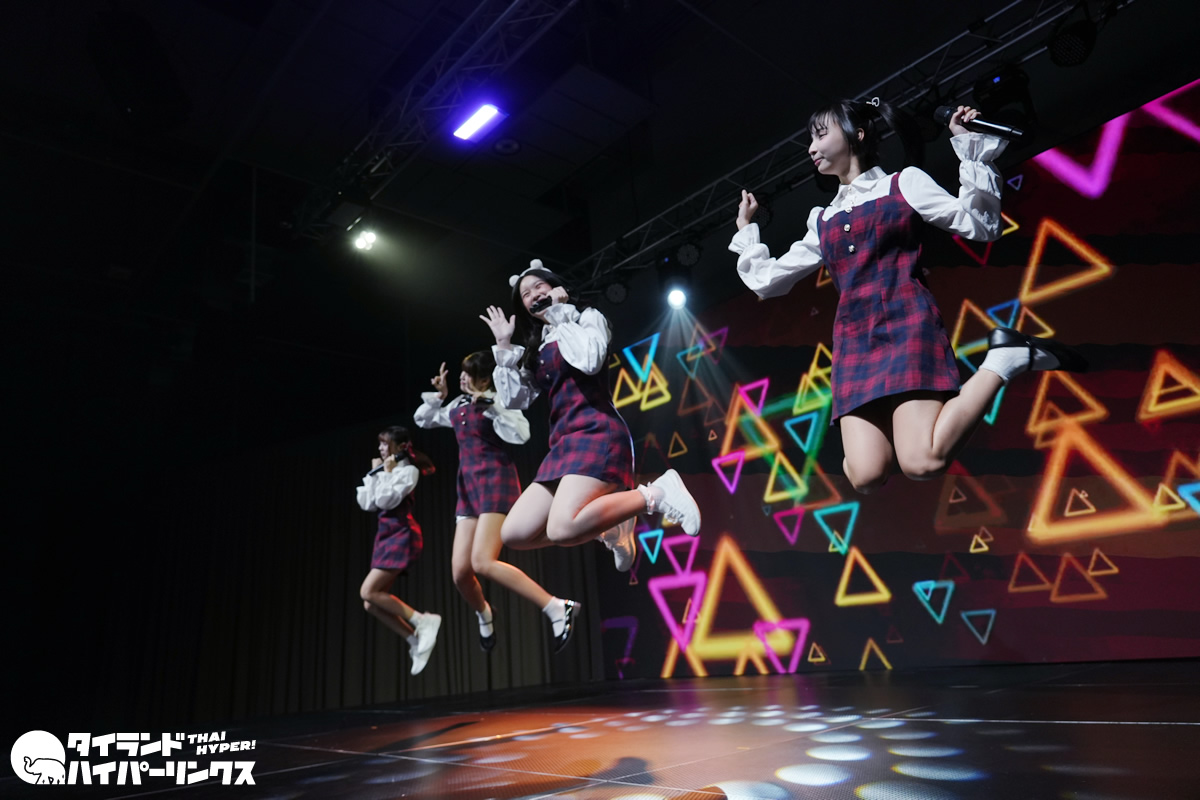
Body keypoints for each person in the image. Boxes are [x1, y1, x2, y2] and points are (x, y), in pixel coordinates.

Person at [730, 99, 1086, 494]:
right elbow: (767, 280)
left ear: (856, 135)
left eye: (820, 135)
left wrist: (967, 147)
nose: (811, 148)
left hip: (906, 325)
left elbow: (979, 225)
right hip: (853, 344)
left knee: (922, 462)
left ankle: (1005, 359)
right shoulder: (823, 218)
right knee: (865, 475)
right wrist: (746, 231)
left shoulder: (904, 184)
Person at [480, 259, 702, 576]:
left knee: (561, 529)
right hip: (563, 444)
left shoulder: (586, 318)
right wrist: (503, 346)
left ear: (556, 287)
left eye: (539, 286)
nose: (533, 295)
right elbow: (516, 400)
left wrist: (560, 313)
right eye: (526, 294)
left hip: (597, 432)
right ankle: (613, 527)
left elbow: (590, 361)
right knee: (515, 533)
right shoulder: (539, 346)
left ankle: (656, 493)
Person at [414, 351, 583, 653]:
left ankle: (556, 606)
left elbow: (522, 434)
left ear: (483, 379)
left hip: (496, 480)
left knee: (482, 561)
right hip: (468, 487)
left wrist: (491, 407)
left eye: (468, 373)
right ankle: (485, 613)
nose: (462, 377)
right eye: (462, 372)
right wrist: (439, 396)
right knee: (460, 573)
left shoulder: (497, 401)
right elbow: (423, 419)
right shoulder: (459, 404)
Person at [355, 425, 442, 675]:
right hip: (385, 536)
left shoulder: (408, 471)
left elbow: (385, 501)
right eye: (380, 443)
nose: (381, 448)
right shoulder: (386, 471)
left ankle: (423, 620)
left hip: (402, 535)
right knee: (371, 603)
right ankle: (413, 640)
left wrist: (385, 473)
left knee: (368, 591)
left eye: (385, 444)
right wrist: (377, 474)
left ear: (401, 447)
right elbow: (367, 503)